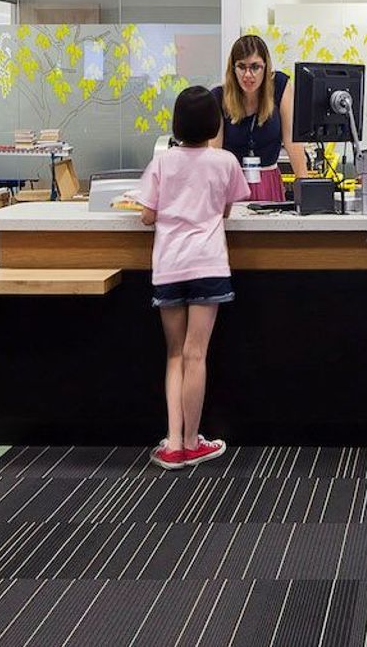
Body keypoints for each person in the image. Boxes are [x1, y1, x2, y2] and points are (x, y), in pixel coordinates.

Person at [133, 85, 250, 470]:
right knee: (197, 354)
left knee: (174, 354)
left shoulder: (162, 164)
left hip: (169, 266)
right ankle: (191, 441)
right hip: (208, 264)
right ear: (215, 122)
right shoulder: (226, 161)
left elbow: (148, 215)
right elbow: (228, 209)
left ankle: (172, 444)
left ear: (176, 124)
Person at [213, 33, 308, 201]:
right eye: (241, 67)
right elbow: (214, 155)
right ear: (232, 68)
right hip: (232, 185)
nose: (248, 75)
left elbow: (292, 141)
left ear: (266, 67)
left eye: (255, 67)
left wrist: (306, 191)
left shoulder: (280, 86)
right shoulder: (219, 97)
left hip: (268, 182)